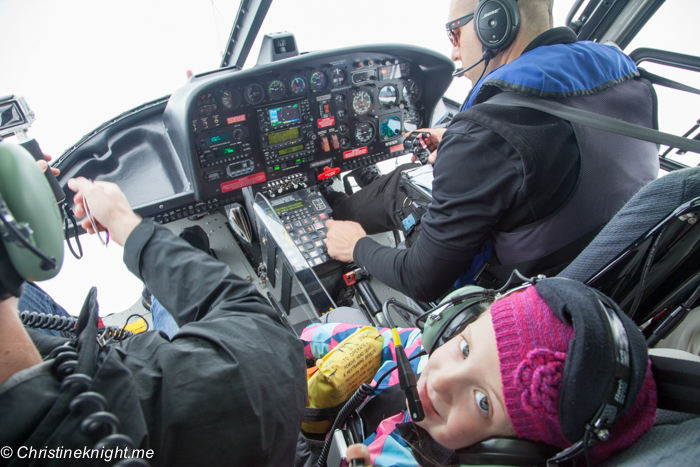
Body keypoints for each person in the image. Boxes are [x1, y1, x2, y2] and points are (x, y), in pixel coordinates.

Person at [324, 0, 659, 303]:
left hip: (510, 294)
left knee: (401, 185)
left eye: (454, 34)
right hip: (604, 274)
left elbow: (421, 280)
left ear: (493, 21)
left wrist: (356, 245)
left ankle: (335, 210)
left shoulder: (486, 132)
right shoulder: (627, 75)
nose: (454, 53)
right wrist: (461, 140)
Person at [0, 141, 307, 466]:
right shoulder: (129, 408)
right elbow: (266, 348)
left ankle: (160, 293)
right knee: (168, 302)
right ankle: (165, 288)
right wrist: (125, 224)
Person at [298, 278, 660, 467]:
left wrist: (295, 436)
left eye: (483, 401)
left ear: (506, 453)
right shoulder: (433, 356)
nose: (439, 381)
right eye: (465, 347)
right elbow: (390, 342)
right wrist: (297, 348)